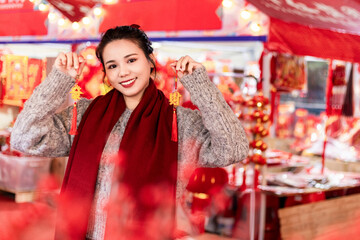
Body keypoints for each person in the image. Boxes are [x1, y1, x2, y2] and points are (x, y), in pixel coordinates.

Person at [10, 25, 249, 240]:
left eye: (131, 60)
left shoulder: (179, 122)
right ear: (106, 72)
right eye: (113, 66)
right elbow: (23, 138)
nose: (123, 72)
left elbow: (234, 148)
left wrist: (200, 85)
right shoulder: (85, 114)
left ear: (150, 61)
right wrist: (59, 80)